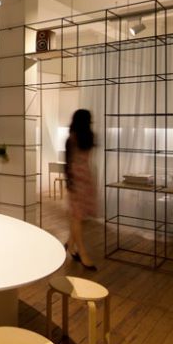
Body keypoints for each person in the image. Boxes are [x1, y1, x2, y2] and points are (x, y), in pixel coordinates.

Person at [65, 109, 97, 271]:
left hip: (78, 180)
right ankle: (82, 252)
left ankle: (71, 245)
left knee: (77, 216)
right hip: (82, 179)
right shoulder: (87, 138)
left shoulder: (74, 138)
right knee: (78, 217)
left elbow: (68, 163)